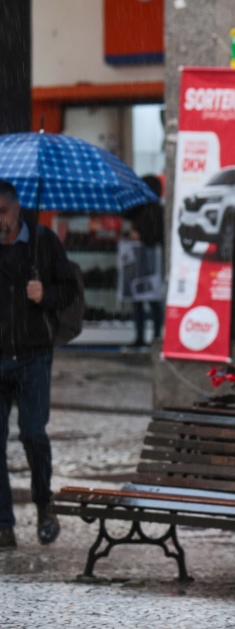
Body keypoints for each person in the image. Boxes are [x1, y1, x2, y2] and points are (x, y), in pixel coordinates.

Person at [0, 180, 79, 548]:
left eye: (2, 211)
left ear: (16, 210)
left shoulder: (43, 242)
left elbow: (71, 290)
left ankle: (45, 505)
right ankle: (3, 524)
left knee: (33, 433)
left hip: (33, 355)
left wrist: (45, 293)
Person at [125, 175, 165, 347]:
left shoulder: (153, 211)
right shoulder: (145, 209)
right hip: (145, 262)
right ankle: (148, 337)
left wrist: (141, 236)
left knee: (148, 301)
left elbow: (157, 235)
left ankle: (149, 337)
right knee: (145, 301)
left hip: (147, 261)